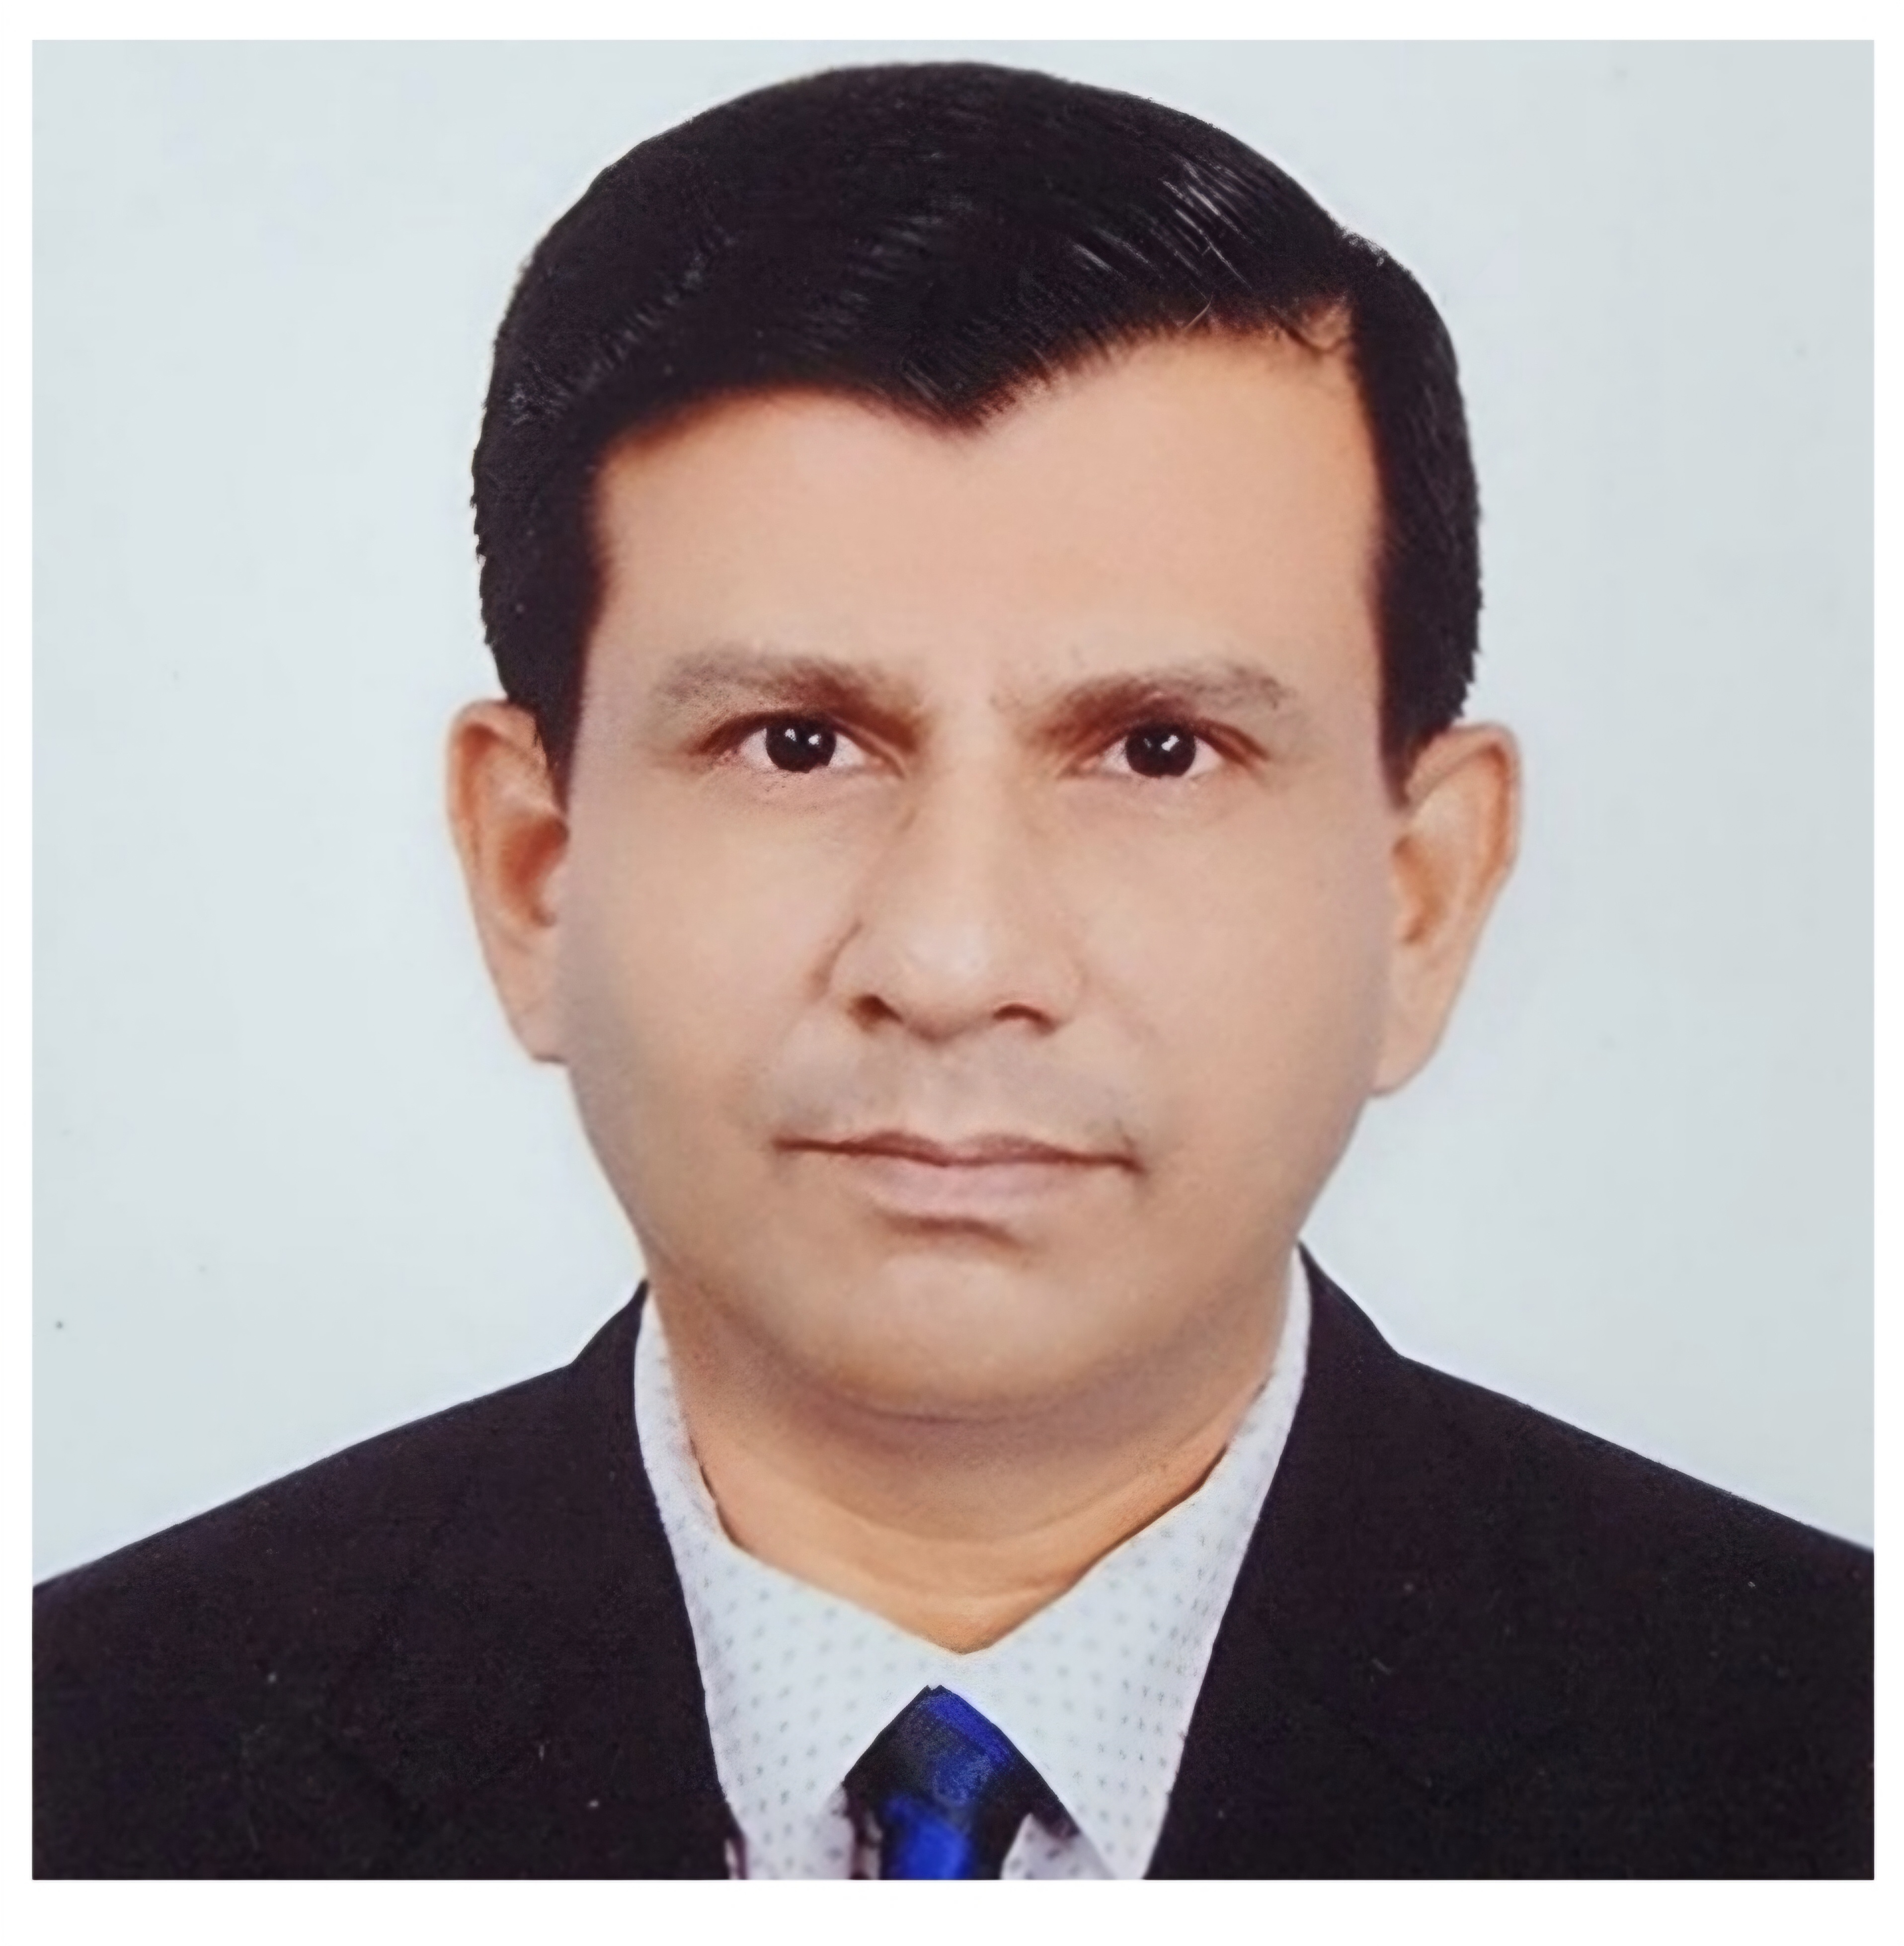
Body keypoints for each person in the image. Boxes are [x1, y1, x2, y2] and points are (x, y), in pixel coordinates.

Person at [33, 61, 1871, 1879]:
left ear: (1422, 898)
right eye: (797, 744)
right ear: (534, 869)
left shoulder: (1831, 1764)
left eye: (1158, 750)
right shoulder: (83, 1771)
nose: (953, 957)